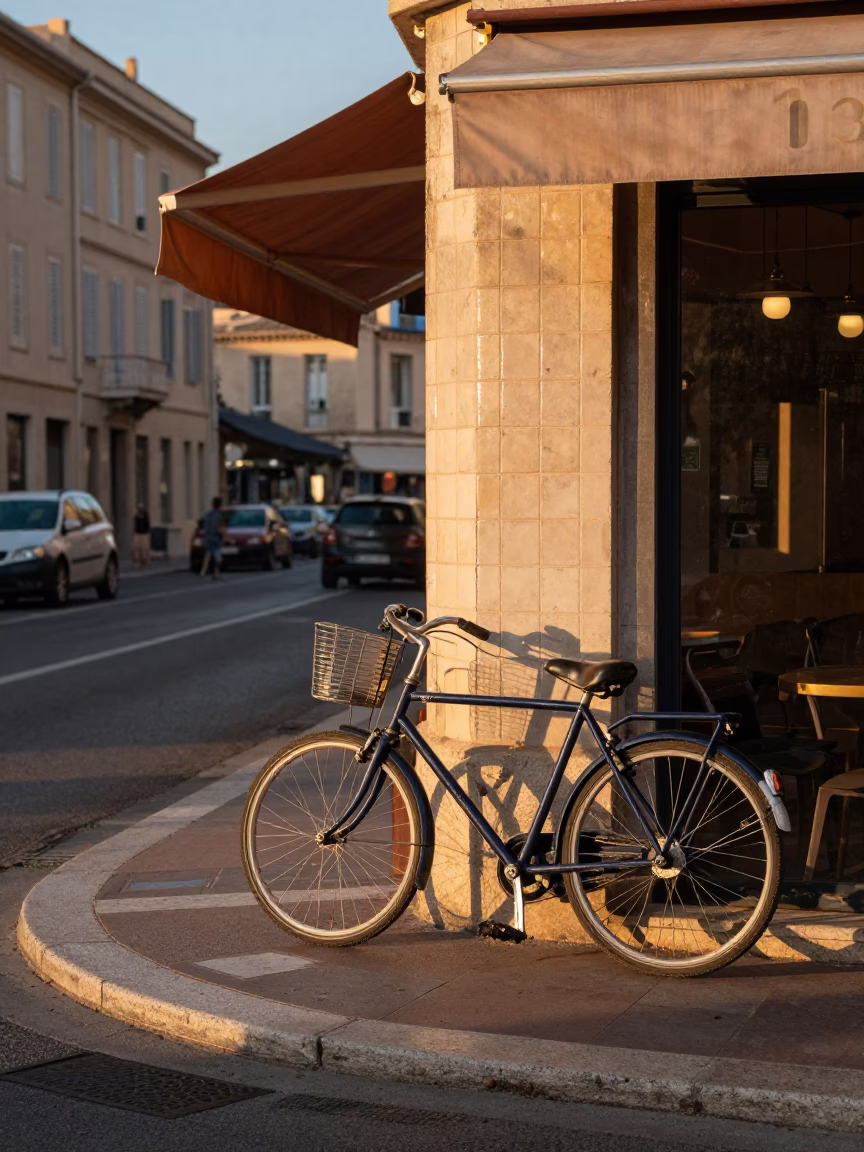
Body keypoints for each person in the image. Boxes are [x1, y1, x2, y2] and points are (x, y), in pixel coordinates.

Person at [200, 496, 224, 579]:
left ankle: (203, 572)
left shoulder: (208, 515)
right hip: (216, 539)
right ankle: (216, 573)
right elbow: (219, 529)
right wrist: (223, 535)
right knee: (218, 557)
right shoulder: (219, 516)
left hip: (209, 538)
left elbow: (204, 526)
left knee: (208, 555)